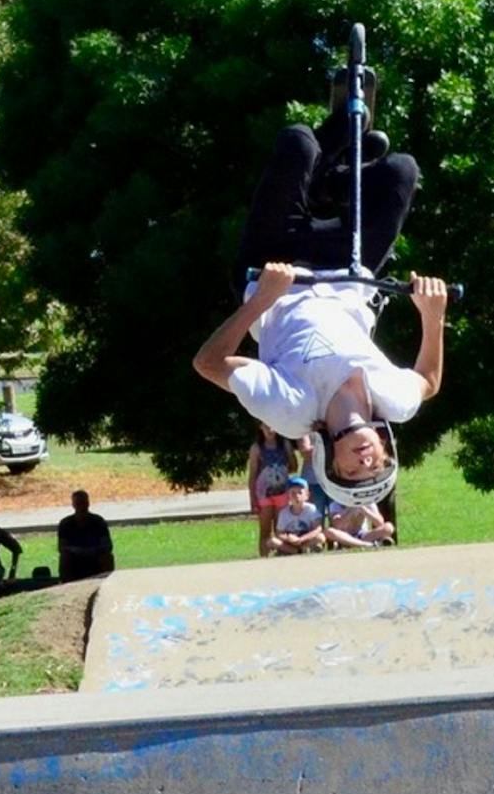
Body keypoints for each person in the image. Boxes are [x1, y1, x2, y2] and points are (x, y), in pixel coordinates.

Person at [192, 91, 448, 515]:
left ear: (330, 461)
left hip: (275, 267)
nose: (366, 462)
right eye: (377, 467)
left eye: (353, 472)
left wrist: (263, 300)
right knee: (400, 171)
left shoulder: (291, 411)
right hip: (347, 268)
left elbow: (209, 364)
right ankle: (335, 181)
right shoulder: (395, 401)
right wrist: (432, 316)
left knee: (297, 143)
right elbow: (429, 381)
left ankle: (329, 152)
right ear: (385, 449)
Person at [247, 423, 296, 558]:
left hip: (282, 493)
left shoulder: (284, 444)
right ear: (261, 427)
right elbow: (252, 475)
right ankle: (264, 557)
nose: (270, 430)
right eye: (266, 427)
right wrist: (253, 499)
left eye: (273, 426)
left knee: (280, 529)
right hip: (264, 495)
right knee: (265, 530)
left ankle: (281, 554)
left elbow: (293, 466)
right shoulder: (257, 448)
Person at [58, 489, 115, 583]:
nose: (81, 506)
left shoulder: (98, 521)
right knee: (65, 558)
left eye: (83, 502)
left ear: (88, 503)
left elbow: (108, 545)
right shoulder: (65, 523)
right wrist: (76, 550)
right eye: (78, 503)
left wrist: (94, 550)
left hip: (96, 556)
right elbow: (62, 547)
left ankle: (106, 584)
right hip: (75, 557)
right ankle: (67, 587)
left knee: (107, 557)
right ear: (73, 505)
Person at [268, 476, 326, 555]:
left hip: (306, 539)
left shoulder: (311, 509)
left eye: (300, 492)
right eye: (293, 493)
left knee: (320, 537)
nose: (296, 496)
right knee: (272, 541)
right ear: (288, 496)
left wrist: (301, 539)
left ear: (307, 495)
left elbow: (318, 528)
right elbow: (279, 533)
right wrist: (289, 538)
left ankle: (303, 549)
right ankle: (297, 551)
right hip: (290, 541)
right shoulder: (284, 513)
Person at [323, 494, 396, 549]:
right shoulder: (335, 504)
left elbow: (380, 523)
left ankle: (355, 544)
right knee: (329, 531)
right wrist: (351, 510)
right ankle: (368, 545)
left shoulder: (367, 502)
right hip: (345, 536)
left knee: (389, 527)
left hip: (363, 535)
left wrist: (364, 510)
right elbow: (337, 526)